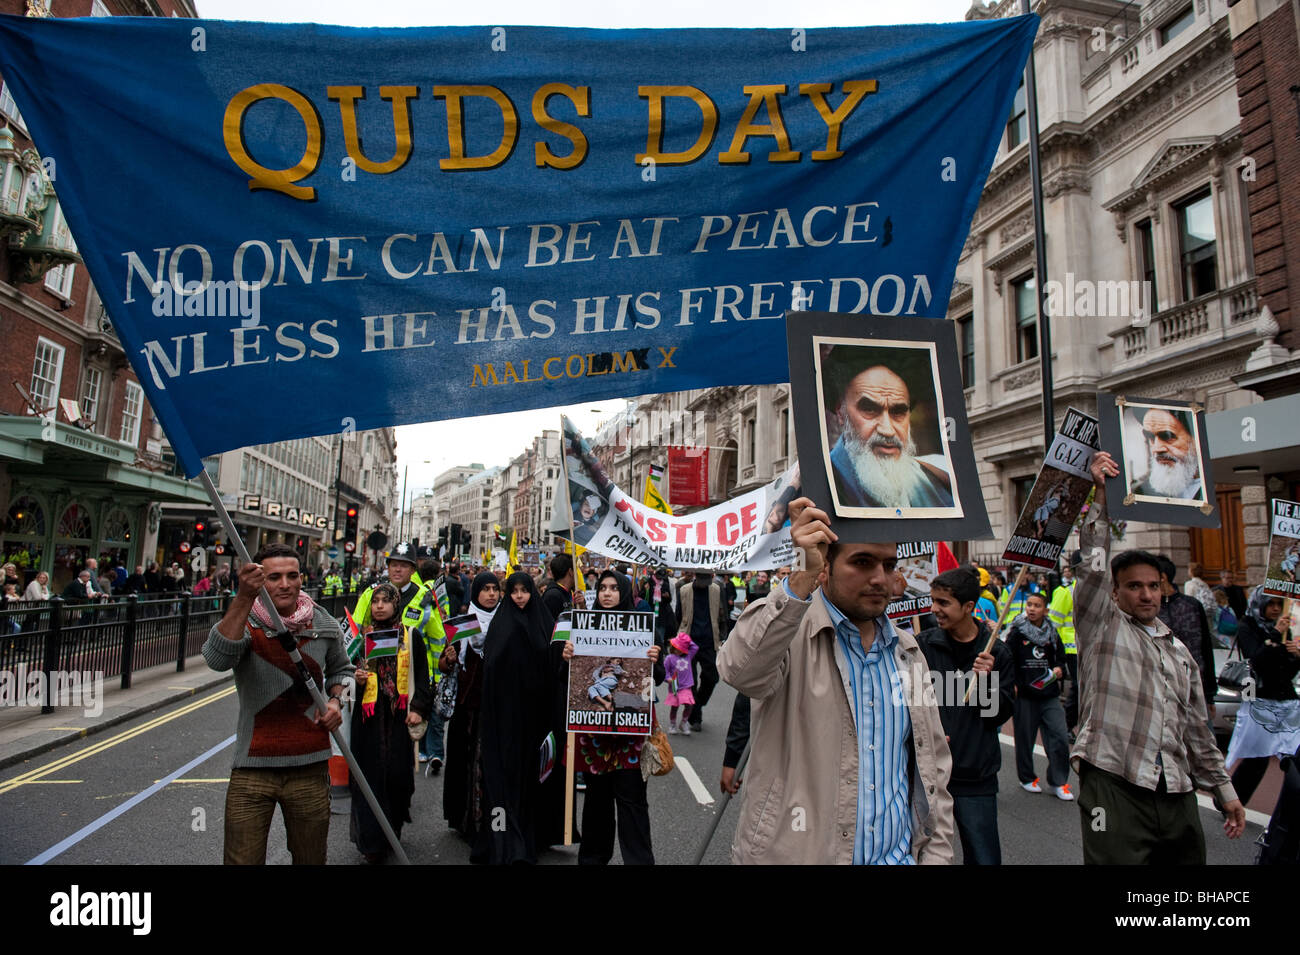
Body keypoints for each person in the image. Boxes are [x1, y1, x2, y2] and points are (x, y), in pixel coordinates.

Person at [717, 496, 954, 864]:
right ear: (824, 567)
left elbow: (933, 765)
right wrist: (799, 580)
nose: (880, 578)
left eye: (888, 564)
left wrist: (936, 856)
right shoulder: (789, 637)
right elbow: (739, 670)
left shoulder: (909, 652)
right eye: (862, 562)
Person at [1071, 450, 1244, 864]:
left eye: (1153, 585)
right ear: (1115, 593)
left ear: (1163, 588)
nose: (1145, 594)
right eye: (1133, 586)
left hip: (1177, 793)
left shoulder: (1179, 652)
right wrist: (1100, 496)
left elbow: (1196, 730)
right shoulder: (1102, 628)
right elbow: (1092, 567)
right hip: (1113, 784)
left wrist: (1225, 792)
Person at [201, 543, 353, 865]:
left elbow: (342, 669)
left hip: (310, 769)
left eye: (292, 576)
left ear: (301, 579)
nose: (284, 584)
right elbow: (217, 658)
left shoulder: (324, 623)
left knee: (311, 859)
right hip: (252, 769)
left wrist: (337, 701)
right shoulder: (248, 622)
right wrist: (243, 597)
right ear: (259, 580)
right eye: (273, 577)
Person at [560, 569, 661, 865]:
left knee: (632, 803)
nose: (606, 593)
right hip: (596, 737)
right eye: (602, 587)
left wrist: (655, 657)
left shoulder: (642, 627)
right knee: (596, 803)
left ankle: (639, 861)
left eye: (614, 588)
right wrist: (566, 656)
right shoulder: (583, 627)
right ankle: (592, 858)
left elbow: (661, 676)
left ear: (624, 592)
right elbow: (570, 679)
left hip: (630, 737)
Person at [917, 566, 1015, 864]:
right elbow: (908, 704)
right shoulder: (923, 646)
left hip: (975, 777)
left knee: (983, 857)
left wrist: (985, 681)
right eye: (933, 601)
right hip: (929, 776)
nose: (934, 609)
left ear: (969, 607)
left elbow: (997, 716)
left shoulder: (997, 653)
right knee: (926, 855)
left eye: (943, 603)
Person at [475, 571, 560, 864]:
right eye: (514, 591)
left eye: (525, 590)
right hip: (506, 720)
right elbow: (492, 672)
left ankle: (531, 837)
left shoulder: (544, 622)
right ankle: (502, 838)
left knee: (531, 779)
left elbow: (555, 665)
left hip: (535, 719)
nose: (520, 596)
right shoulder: (502, 624)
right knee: (504, 781)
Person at [349, 582, 432, 863]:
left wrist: (419, 708)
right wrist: (356, 679)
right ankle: (372, 842)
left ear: (396, 605)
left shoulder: (411, 637)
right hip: (368, 720)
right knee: (369, 778)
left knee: (397, 778)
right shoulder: (360, 639)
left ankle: (391, 829)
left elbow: (423, 677)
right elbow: (339, 674)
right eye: (375, 601)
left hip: (398, 718)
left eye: (386, 601)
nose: (380, 606)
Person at [826, 363, 954, 509]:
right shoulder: (806, 484)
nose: (887, 430)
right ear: (841, 412)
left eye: (898, 412)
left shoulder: (939, 477)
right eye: (869, 409)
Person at [1225, 587, 1300, 805]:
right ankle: (1231, 801)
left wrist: (1296, 656)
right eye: (1271, 604)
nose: (1276, 609)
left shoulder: (1289, 628)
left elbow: (1288, 671)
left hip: (1286, 699)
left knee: (1293, 756)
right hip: (1258, 697)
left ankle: (1287, 812)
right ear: (1261, 605)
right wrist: (1275, 635)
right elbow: (1256, 660)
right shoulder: (1248, 625)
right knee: (1256, 757)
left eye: (1279, 604)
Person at [441, 571, 500, 839]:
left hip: (493, 706)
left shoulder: (504, 621)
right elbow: (444, 663)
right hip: (466, 707)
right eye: (485, 589)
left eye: (494, 589)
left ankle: (487, 821)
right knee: (464, 764)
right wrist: (450, 658)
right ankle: (464, 820)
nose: (490, 594)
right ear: (475, 593)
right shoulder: (463, 623)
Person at [1005, 591, 1073, 801]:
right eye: (1029, 605)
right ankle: (1027, 778)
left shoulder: (1052, 632)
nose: (1032, 609)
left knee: (1060, 737)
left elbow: (1060, 658)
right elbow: (1007, 658)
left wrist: (1060, 669)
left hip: (1049, 693)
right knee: (1025, 739)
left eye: (1037, 605)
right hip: (1025, 694)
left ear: (1045, 609)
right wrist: (1013, 684)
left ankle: (1058, 781)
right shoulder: (1017, 632)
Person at [1155, 555, 1217, 721]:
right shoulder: (1149, 609)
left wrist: (1210, 694)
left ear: (1163, 577)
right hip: (1162, 694)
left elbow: (1206, 648)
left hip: (1195, 690)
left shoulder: (1192, 606)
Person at [677, 570, 722, 730]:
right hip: (689, 640)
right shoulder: (684, 590)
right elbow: (679, 615)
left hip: (709, 641)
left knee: (712, 677)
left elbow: (721, 614)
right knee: (691, 681)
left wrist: (723, 636)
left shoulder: (716, 589)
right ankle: (695, 718)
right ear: (696, 576)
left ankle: (697, 705)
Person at [1130, 407, 1203, 500]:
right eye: (1150, 437)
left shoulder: (1212, 483)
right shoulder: (1140, 492)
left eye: (1167, 436)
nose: (1157, 448)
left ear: (1194, 440)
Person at [663, 633, 698, 734]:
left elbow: (695, 647)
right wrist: (668, 679)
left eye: (681, 648)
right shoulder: (669, 658)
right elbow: (666, 671)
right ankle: (672, 724)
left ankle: (684, 722)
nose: (678, 650)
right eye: (677, 648)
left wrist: (685, 640)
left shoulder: (688, 656)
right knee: (675, 706)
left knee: (689, 705)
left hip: (686, 685)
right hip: (674, 685)